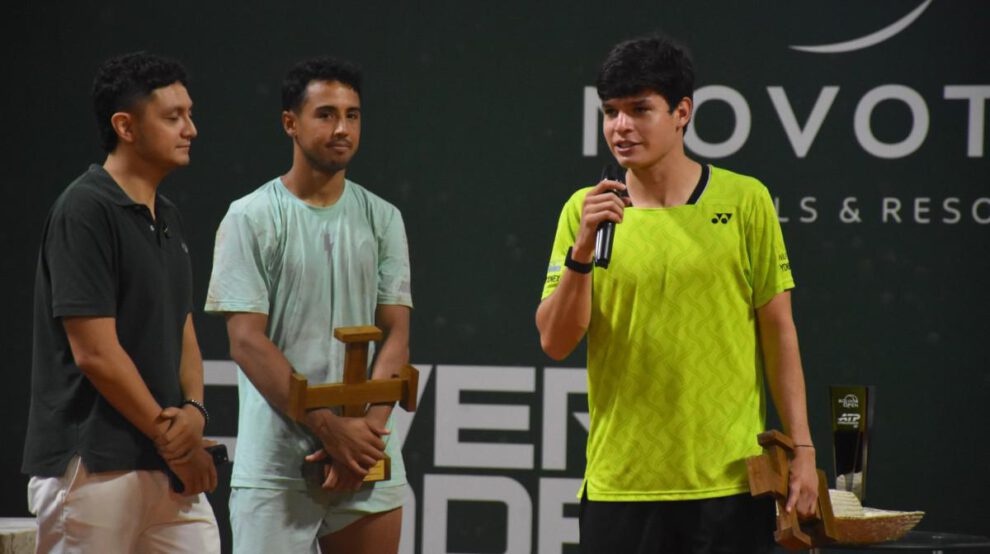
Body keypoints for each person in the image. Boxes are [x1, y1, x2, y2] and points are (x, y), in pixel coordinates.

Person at [535, 35, 819, 553]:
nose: (621, 127)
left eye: (640, 110)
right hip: (620, 486)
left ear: (682, 112)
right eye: (611, 112)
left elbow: (779, 332)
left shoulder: (745, 200)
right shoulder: (585, 211)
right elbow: (555, 341)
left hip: (731, 486)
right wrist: (581, 252)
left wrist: (803, 448)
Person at [204, 56, 412, 554]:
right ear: (290, 123)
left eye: (353, 115)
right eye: (326, 114)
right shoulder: (249, 217)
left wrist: (364, 435)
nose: (342, 128)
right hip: (276, 470)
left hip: (368, 461)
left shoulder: (383, 218)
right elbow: (246, 342)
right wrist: (329, 429)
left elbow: (397, 333)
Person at [22, 51, 220, 553]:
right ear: (125, 127)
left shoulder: (167, 214)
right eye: (173, 117)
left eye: (190, 114)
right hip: (92, 468)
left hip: (167, 469)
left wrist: (194, 411)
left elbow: (183, 327)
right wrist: (170, 437)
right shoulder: (84, 209)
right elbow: (95, 352)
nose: (190, 128)